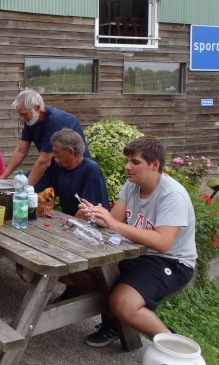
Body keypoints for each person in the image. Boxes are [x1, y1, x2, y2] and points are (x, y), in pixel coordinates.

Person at [69, 136, 196, 346]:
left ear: (155, 165)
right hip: (136, 253)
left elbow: (163, 243)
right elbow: (114, 220)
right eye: (128, 161)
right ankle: (114, 321)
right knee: (76, 267)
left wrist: (113, 223)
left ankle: (174, 346)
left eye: (135, 162)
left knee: (124, 303)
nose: (128, 167)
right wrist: (93, 214)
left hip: (171, 261)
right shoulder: (132, 186)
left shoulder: (172, 195)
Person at [0, 89, 91, 192]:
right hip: (54, 165)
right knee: (19, 187)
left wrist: (24, 192)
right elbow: (21, 151)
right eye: (19, 114)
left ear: (37, 107)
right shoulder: (31, 120)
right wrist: (2, 178)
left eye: (24, 114)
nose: (21, 118)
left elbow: (44, 161)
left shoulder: (55, 121)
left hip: (76, 169)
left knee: (24, 192)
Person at [49, 128, 109, 216]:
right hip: (70, 224)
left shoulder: (90, 169)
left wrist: (67, 223)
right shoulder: (60, 167)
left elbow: (87, 210)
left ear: (70, 152)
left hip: (93, 226)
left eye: (56, 151)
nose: (53, 155)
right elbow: (50, 194)